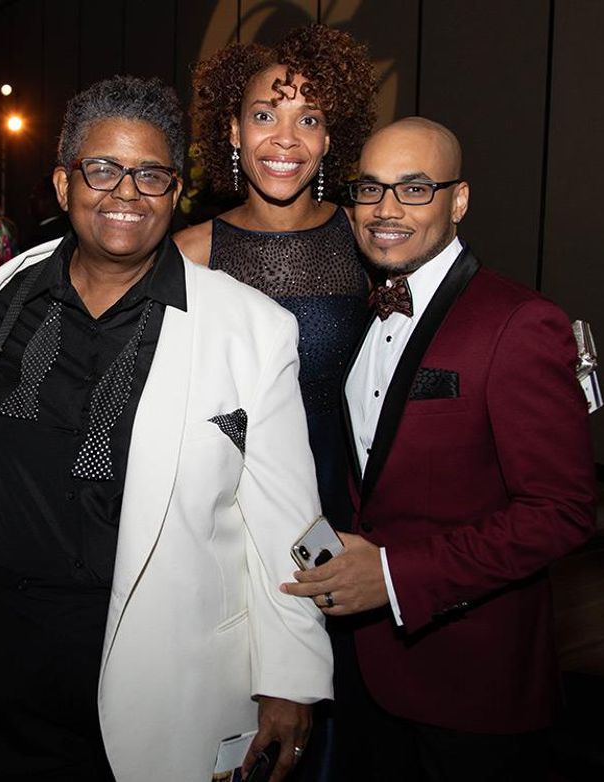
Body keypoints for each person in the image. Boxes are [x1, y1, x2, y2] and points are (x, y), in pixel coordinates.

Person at [0, 75, 332, 782]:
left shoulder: (251, 330)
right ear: (65, 185)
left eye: (151, 174)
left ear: (177, 191)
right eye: (103, 169)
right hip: (5, 654)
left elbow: (289, 522)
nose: (126, 192)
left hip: (165, 662)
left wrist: (294, 674)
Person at [283, 117, 597, 781]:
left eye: (415, 188)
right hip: (365, 670)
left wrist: (397, 576)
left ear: (458, 201)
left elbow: (560, 511)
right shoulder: (365, 309)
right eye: (370, 189)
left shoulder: (519, 322)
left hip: (471, 683)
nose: (387, 210)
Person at [174, 24, 377, 780]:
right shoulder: (192, 253)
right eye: (264, 114)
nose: (284, 137)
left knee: (327, 714)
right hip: (230, 511)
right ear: (231, 128)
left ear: (331, 141)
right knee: (237, 710)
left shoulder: (366, 241)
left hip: (339, 506)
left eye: (309, 118)